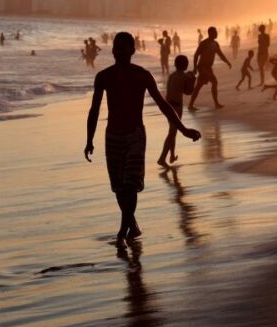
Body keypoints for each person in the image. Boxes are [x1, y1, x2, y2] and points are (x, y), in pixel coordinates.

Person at [85, 33, 200, 244]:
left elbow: (164, 105)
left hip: (135, 135)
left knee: (130, 184)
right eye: (116, 47)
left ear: (132, 50)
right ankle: (132, 225)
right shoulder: (104, 77)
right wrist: (89, 140)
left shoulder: (142, 75)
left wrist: (183, 129)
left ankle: (123, 228)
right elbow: (94, 110)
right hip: (112, 136)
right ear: (112, 51)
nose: (119, 51)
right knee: (119, 187)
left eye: (123, 47)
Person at [158, 55, 191, 167]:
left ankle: (171, 155)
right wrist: (193, 80)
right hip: (176, 107)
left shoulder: (172, 75)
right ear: (185, 65)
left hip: (168, 105)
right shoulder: (184, 76)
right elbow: (188, 91)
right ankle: (162, 158)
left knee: (173, 131)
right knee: (172, 132)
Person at [189, 26, 232, 110]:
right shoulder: (204, 43)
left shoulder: (216, 44)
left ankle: (191, 105)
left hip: (208, 67)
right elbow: (196, 54)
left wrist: (227, 62)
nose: (216, 34)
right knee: (214, 82)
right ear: (210, 33)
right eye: (215, 32)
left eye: (216, 32)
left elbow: (220, 54)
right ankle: (216, 103)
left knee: (199, 86)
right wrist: (195, 67)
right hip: (202, 67)